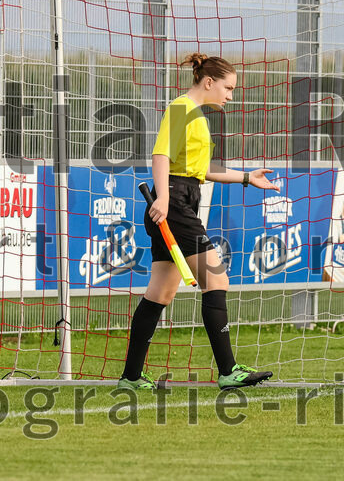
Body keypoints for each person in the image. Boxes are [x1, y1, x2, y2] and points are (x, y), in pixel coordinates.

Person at [118, 53, 280, 391]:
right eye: (228, 87)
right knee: (216, 278)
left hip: (180, 198)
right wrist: (162, 198)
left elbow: (202, 170)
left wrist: (248, 177)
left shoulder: (196, 116)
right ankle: (228, 371)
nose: (230, 95)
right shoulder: (180, 109)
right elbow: (160, 155)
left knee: (160, 292)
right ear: (208, 82)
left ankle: (131, 378)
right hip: (173, 205)